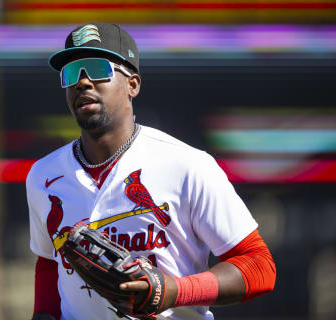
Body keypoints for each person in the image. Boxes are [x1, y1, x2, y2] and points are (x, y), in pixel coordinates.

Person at [27, 23, 276, 320]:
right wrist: (43, 314)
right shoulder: (43, 175)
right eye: (71, 73)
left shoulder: (187, 165)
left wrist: (175, 291)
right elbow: (47, 262)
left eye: (96, 69)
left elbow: (259, 266)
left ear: (133, 84)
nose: (82, 82)